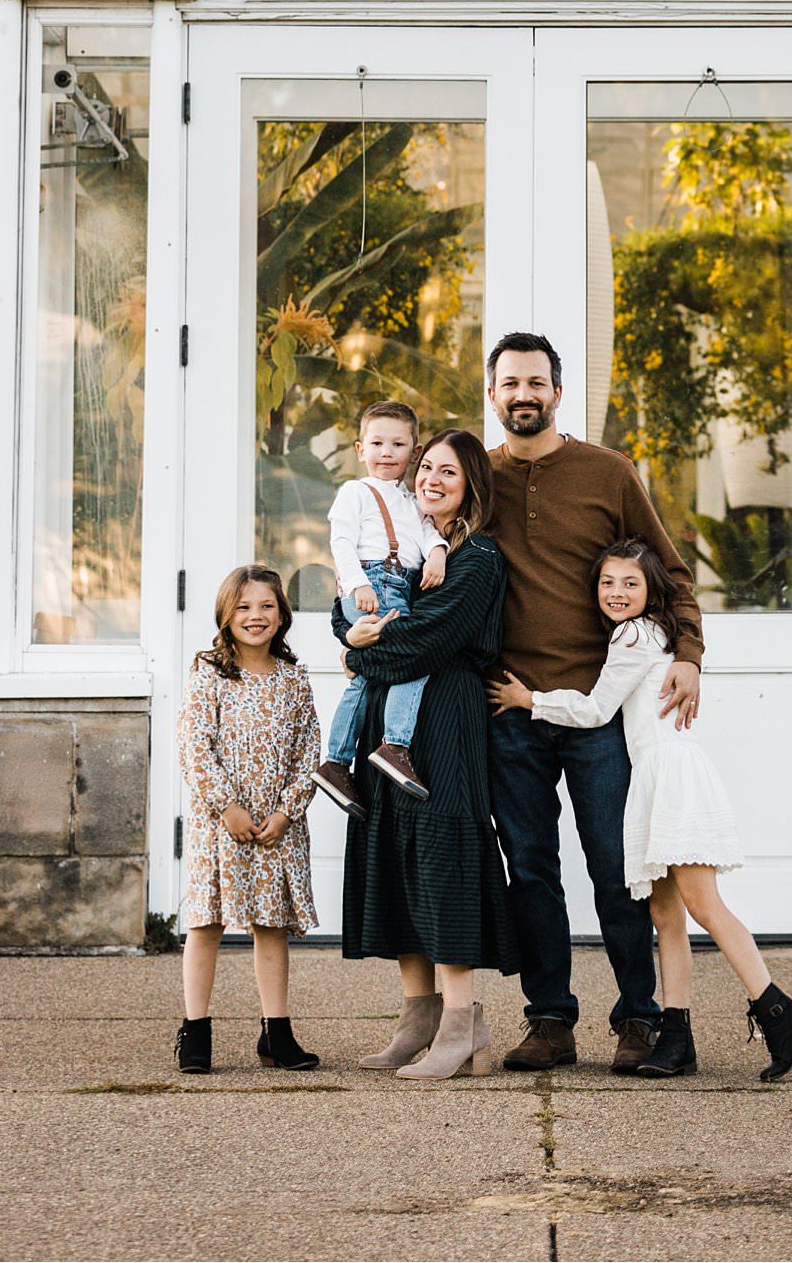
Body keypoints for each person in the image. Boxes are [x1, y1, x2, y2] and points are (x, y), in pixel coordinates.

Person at [489, 537, 792, 1081]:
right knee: (666, 916)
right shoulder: (645, 633)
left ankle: (779, 1012)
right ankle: (677, 1037)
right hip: (653, 774)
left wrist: (533, 700)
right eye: (607, 583)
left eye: (630, 583)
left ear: (651, 590)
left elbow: (597, 710)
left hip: (669, 777)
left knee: (703, 906)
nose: (616, 593)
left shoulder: (635, 634)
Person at [484, 330, 704, 1074]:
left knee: (618, 868)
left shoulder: (607, 472)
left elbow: (669, 573)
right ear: (493, 395)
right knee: (532, 871)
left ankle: (639, 1018)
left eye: (536, 382)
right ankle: (549, 1019)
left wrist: (690, 656)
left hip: (598, 714)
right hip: (513, 711)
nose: (523, 394)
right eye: (510, 383)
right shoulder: (479, 479)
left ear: (556, 390)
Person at [336, 429, 518, 1080]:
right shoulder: (402, 547)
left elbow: (424, 639)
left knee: (442, 857)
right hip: (387, 726)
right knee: (394, 854)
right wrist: (354, 632)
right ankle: (419, 1015)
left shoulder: (478, 559)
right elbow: (349, 608)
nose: (432, 478)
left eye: (449, 471)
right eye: (426, 467)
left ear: (471, 484)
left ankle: (463, 1021)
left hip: (445, 722)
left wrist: (358, 652)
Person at [174, 564, 321, 1075]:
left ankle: (276, 1032)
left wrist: (286, 810)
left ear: (281, 615)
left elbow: (309, 752)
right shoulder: (210, 672)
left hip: (275, 827)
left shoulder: (294, 677)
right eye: (243, 607)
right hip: (222, 825)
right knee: (207, 922)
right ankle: (196, 1031)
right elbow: (195, 747)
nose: (255, 616)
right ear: (225, 614)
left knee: (270, 925)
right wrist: (226, 806)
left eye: (266, 606)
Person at [313, 400, 447, 813]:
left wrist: (438, 551)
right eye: (377, 443)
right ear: (359, 450)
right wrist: (357, 585)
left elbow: (424, 533)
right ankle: (395, 745)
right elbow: (341, 542)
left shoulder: (410, 499)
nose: (387, 452)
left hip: (400, 584)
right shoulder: (356, 491)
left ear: (415, 451)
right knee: (413, 661)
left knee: (366, 681)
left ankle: (336, 762)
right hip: (374, 582)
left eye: (398, 444)